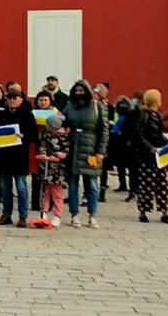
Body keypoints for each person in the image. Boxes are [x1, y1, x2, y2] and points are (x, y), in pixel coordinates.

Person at [62, 79, 109, 229]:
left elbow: (104, 131)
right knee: (72, 185)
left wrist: (101, 151)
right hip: (73, 148)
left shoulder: (97, 106)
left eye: (81, 90)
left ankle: (92, 214)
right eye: (76, 90)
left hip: (91, 149)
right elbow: (62, 122)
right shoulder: (69, 106)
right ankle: (74, 214)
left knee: (92, 185)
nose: (79, 93)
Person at [0, 89, 37, 227]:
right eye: (10, 98)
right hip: (4, 156)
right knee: (5, 189)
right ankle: (6, 214)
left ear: (21, 100)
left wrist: (24, 136)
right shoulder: (2, 114)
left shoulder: (27, 114)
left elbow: (34, 135)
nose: (12, 100)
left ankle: (23, 216)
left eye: (15, 98)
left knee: (21, 188)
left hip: (20, 156)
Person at [134, 89, 168, 224]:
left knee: (162, 184)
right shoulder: (144, 115)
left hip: (160, 153)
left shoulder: (159, 115)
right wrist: (149, 148)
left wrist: (167, 142)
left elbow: (159, 134)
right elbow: (139, 135)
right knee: (146, 184)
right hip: (147, 155)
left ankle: (164, 211)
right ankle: (143, 212)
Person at [34, 113, 69, 228]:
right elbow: (43, 146)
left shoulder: (63, 136)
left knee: (57, 193)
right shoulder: (47, 135)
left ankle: (57, 215)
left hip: (57, 170)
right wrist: (42, 154)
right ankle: (43, 213)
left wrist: (58, 156)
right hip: (46, 168)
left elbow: (66, 150)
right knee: (45, 192)